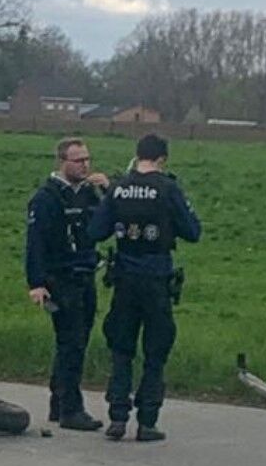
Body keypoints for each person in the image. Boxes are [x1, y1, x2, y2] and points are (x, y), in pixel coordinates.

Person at [88, 133, 201, 442]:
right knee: (156, 349)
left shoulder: (119, 188)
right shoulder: (168, 189)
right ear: (162, 159)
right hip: (156, 278)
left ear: (137, 155)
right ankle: (147, 421)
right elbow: (193, 232)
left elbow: (96, 231)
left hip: (124, 278)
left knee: (121, 348)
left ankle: (117, 417)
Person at [25, 137, 110, 431]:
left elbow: (104, 225)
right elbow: (35, 243)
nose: (85, 165)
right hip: (60, 277)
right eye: (78, 160)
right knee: (70, 342)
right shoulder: (46, 198)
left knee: (78, 340)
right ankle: (71, 409)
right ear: (63, 162)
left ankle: (58, 402)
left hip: (86, 273)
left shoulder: (88, 194)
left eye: (87, 159)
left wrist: (108, 191)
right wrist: (36, 283)